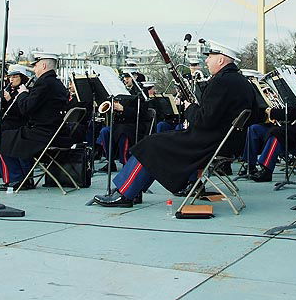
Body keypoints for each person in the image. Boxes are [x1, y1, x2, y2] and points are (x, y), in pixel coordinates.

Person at [92, 40, 259, 207]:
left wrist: (190, 108)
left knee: (150, 145)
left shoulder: (220, 82)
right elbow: (254, 115)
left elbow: (203, 120)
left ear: (221, 60)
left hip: (208, 143)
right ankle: (132, 190)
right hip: (227, 143)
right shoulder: (244, 83)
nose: (207, 60)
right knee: (155, 143)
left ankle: (125, 194)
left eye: (210, 57)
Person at [0, 53, 71, 189]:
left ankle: (17, 179)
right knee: (17, 137)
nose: (34, 69)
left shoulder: (43, 83)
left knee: (1, 139)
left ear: (43, 65)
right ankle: (26, 178)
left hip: (43, 133)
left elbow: (26, 108)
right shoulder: (57, 83)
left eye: (36, 65)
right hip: (57, 132)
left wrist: (23, 93)